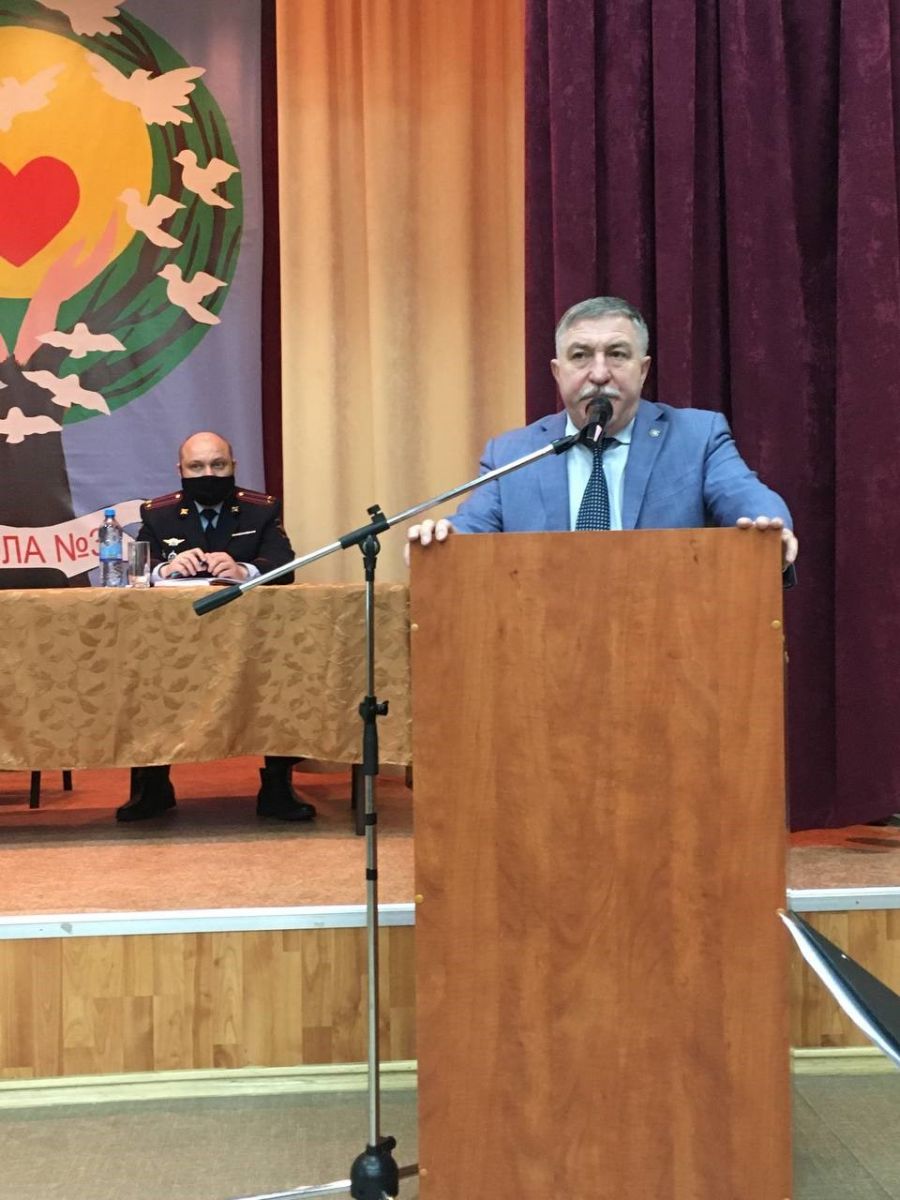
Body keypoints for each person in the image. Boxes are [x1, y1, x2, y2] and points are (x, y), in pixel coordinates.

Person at [407, 296, 798, 570]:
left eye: (616, 354)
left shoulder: (697, 437)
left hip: (668, 640)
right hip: (541, 642)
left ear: (643, 370)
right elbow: (470, 529)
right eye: (580, 356)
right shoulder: (513, 453)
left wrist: (769, 527)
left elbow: (745, 495)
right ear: (558, 373)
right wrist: (441, 542)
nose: (598, 374)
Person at [116, 430, 316, 824]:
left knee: (284, 673)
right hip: (175, 640)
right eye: (197, 467)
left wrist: (245, 570)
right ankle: (151, 786)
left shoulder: (260, 510)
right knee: (141, 671)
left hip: (250, 640)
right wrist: (164, 569)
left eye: (218, 465)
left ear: (233, 466)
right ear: (180, 470)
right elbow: (138, 568)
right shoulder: (158, 513)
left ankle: (277, 786)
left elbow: (284, 564)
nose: (208, 474)